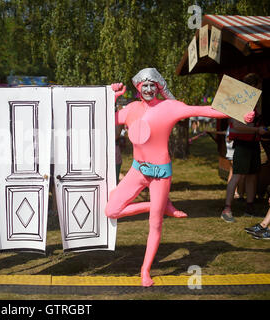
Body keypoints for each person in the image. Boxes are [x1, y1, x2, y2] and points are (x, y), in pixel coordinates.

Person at [105, 67, 254, 287]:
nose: (147, 89)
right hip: (137, 171)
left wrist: (239, 113)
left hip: (161, 175)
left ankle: (145, 271)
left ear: (158, 87)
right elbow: (103, 119)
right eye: (143, 85)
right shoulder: (130, 109)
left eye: (152, 85)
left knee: (155, 224)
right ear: (137, 88)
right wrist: (112, 97)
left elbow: (206, 109)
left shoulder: (170, 107)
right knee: (111, 210)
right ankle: (159, 206)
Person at [221, 73, 267, 223]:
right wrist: (256, 130)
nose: (260, 89)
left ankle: (250, 206)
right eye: (258, 86)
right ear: (253, 86)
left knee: (252, 175)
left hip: (253, 143)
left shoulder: (254, 102)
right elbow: (237, 126)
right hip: (242, 144)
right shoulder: (240, 101)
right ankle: (227, 209)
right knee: (237, 175)